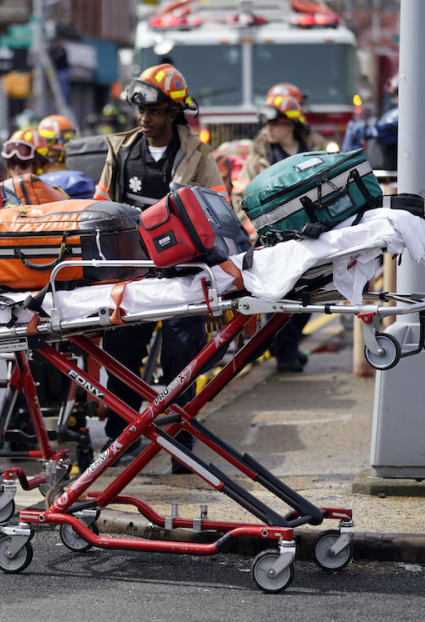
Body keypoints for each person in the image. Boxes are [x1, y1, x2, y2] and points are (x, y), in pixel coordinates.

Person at [94, 64, 222, 473]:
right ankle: (120, 439)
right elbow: (99, 208)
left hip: (183, 273)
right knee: (122, 354)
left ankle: (180, 445)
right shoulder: (120, 151)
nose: (144, 120)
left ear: (172, 113)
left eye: (153, 112)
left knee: (181, 359)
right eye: (140, 111)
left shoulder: (198, 156)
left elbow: (218, 211)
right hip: (133, 273)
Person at [237, 87, 326, 373]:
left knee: (313, 295)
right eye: (267, 123)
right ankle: (284, 351)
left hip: (315, 234)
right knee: (286, 296)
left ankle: (282, 345)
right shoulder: (259, 157)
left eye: (274, 123)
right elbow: (242, 199)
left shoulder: (316, 149)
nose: (269, 129)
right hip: (273, 239)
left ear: (291, 123)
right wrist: (257, 233)